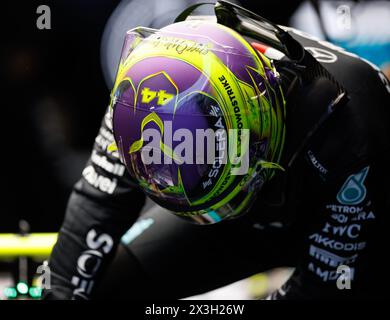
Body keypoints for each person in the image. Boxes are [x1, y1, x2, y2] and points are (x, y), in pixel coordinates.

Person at [44, 1, 390, 300]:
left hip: (343, 216)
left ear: (257, 123)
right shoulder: (138, 93)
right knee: (107, 287)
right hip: (242, 220)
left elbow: (326, 285)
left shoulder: (356, 119)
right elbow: (98, 202)